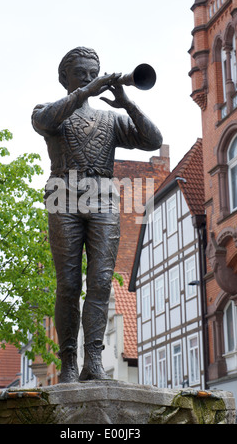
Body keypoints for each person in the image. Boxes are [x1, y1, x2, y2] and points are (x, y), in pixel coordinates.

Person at [32, 47, 162, 383]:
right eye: (81, 73)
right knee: (69, 283)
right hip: (64, 194)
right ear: (66, 77)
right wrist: (85, 93)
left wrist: (127, 104)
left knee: (102, 280)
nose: (90, 78)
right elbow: (44, 122)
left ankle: (93, 359)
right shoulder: (50, 112)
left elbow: (153, 139)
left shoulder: (111, 120)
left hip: (103, 197)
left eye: (94, 73)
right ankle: (68, 364)